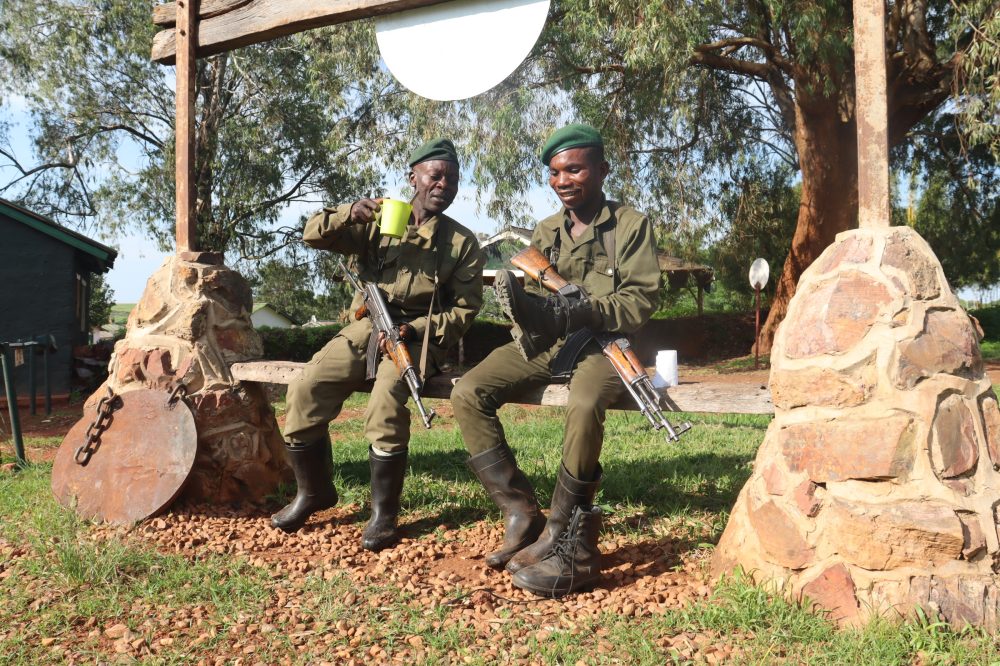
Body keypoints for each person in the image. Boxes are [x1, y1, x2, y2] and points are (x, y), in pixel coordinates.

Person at [451, 124, 660, 597]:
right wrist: (532, 310)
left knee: (583, 404)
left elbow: (641, 300)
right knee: (469, 391)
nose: (563, 180)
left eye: (574, 170)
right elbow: (537, 300)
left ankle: (562, 531)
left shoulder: (629, 226)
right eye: (554, 172)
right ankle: (521, 512)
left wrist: (585, 310)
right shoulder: (546, 231)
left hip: (605, 345)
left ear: (601, 170)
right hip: (550, 342)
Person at [274, 138, 485, 552]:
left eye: (452, 179)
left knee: (387, 398)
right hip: (367, 327)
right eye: (435, 175)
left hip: (418, 338)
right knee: (304, 388)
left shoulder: (461, 243)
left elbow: (465, 310)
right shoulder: (380, 220)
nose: (444, 185)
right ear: (413, 178)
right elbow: (312, 235)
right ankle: (313, 492)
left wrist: (416, 329)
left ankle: (383, 515)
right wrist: (349, 212)